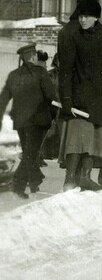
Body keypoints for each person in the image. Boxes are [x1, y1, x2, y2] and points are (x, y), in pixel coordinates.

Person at [57, 0, 102, 192]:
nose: (82, 19)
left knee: (94, 137)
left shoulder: (101, 32)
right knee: (76, 138)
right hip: (78, 96)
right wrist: (66, 98)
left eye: (87, 16)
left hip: (99, 95)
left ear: (96, 18)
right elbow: (65, 70)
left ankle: (86, 176)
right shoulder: (72, 35)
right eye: (81, 16)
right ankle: (69, 178)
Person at [0, 43, 56, 198]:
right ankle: (18, 184)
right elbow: (51, 95)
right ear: (33, 56)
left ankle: (34, 181)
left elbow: (4, 98)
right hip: (37, 121)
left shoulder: (14, 74)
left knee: (29, 151)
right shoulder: (41, 73)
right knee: (31, 153)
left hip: (20, 121)